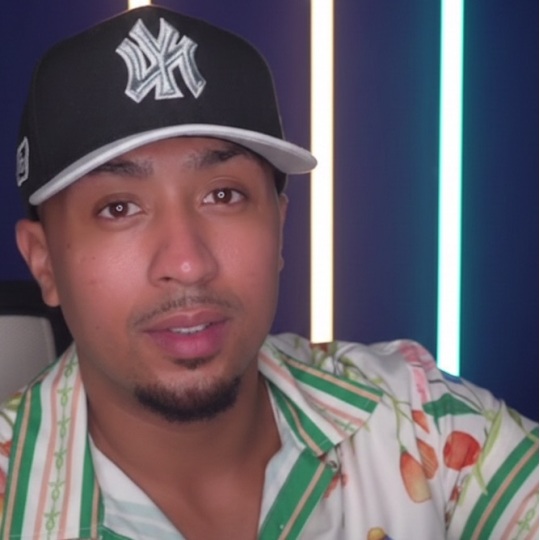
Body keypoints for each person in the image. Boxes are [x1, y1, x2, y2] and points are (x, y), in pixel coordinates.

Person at [0, 5, 537, 539]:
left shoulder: (422, 422)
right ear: (44, 261)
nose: (187, 263)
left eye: (223, 195)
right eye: (119, 208)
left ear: (279, 227)